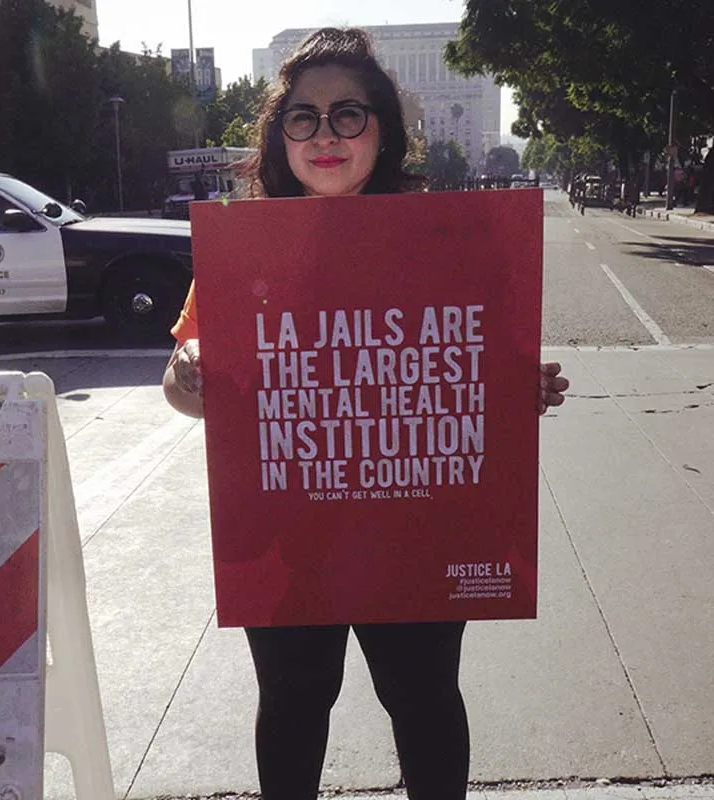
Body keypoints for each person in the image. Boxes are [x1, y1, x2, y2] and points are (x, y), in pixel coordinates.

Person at [161, 28, 569, 800]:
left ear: (382, 130)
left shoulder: (445, 239)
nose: (325, 135)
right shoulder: (245, 246)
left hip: (416, 520)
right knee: (293, 697)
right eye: (304, 117)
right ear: (280, 135)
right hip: (291, 524)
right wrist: (190, 375)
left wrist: (516, 394)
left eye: (348, 114)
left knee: (421, 698)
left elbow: (479, 369)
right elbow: (180, 389)